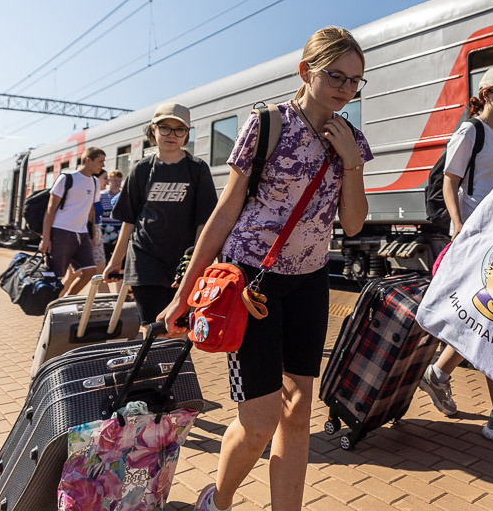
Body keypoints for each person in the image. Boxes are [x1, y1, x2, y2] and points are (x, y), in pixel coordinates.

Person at [159, 26, 373, 511]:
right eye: (335, 75)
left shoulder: (351, 139)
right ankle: (218, 498)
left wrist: (351, 163)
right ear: (306, 71)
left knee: (298, 412)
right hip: (250, 282)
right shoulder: (267, 123)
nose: (345, 88)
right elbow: (226, 211)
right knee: (260, 420)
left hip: (310, 283)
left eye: (355, 81)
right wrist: (184, 292)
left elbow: (355, 225)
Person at [418, 66, 493, 450]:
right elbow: (449, 181)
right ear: (486, 93)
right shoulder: (471, 131)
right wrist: (457, 225)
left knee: (483, 319)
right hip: (476, 237)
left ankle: (438, 374)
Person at [104, 103, 218, 323]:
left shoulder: (197, 169)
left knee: (178, 327)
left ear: (187, 134)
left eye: (179, 130)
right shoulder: (141, 169)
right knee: (153, 326)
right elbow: (129, 221)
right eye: (165, 128)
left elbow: (204, 222)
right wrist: (115, 261)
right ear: (153, 130)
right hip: (145, 259)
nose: (171, 135)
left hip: (182, 262)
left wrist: (195, 263)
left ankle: (170, 359)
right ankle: (155, 358)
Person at [41, 147, 105, 297]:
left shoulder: (95, 182)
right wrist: (45, 238)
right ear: (88, 160)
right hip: (61, 231)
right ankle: (49, 305)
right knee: (57, 276)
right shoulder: (67, 178)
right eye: (100, 161)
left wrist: (93, 235)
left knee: (90, 271)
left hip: (82, 233)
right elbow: (50, 209)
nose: (102, 165)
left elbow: (91, 211)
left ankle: (65, 300)